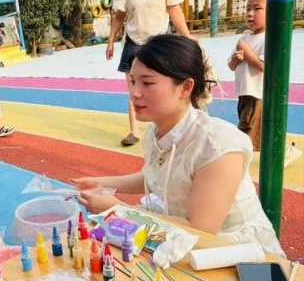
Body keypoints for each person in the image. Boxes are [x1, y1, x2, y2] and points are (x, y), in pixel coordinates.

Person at [73, 35, 284, 257]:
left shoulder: (218, 145)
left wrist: (117, 209)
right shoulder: (155, 133)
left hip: (235, 253)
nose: (134, 93)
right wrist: (101, 183)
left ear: (185, 87)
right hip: (180, 242)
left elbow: (201, 230)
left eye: (147, 83)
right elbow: (158, 176)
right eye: (132, 81)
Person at [107, 0, 193, 147]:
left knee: (166, 87)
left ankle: (170, 127)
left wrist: (187, 37)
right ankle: (134, 131)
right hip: (134, 44)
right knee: (134, 88)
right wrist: (110, 41)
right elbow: (119, 17)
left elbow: (175, 11)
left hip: (160, 45)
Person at [228, 0, 266, 152]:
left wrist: (246, 51)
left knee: (246, 132)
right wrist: (235, 60)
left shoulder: (269, 38)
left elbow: (263, 66)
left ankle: (244, 159)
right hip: (244, 92)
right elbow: (231, 66)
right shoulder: (244, 38)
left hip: (256, 93)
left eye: (257, 8)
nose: (250, 13)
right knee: (249, 130)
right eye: (248, 9)